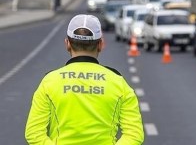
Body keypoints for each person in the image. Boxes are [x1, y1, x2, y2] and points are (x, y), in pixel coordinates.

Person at [25, 14, 144, 145]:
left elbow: (33, 133)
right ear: (100, 44)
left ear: (67, 44)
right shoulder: (118, 82)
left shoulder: (50, 81)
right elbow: (134, 134)